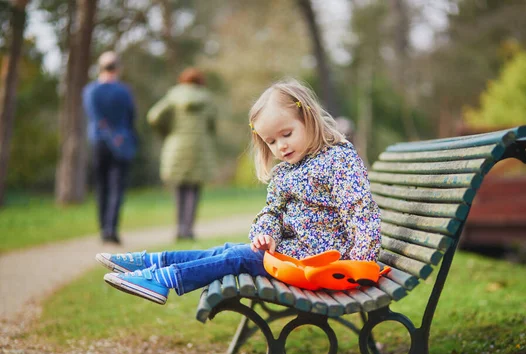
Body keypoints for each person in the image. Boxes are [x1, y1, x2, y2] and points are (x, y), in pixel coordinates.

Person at [97, 79, 381, 305]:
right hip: (291, 253)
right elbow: (272, 211)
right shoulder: (285, 171)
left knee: (238, 259)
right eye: (271, 141)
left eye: (287, 134)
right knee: (228, 251)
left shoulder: (338, 159)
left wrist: (359, 262)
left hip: (322, 262)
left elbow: (359, 210)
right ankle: (152, 262)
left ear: (308, 118)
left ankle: (164, 280)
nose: (280, 146)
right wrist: (267, 233)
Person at [146, 67, 217, 241]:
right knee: (194, 189)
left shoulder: (173, 97)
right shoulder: (207, 99)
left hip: (176, 146)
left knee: (179, 189)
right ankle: (189, 229)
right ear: (200, 82)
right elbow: (212, 125)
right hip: (199, 148)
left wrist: (166, 131)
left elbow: (153, 116)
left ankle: (179, 229)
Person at [83, 51, 137, 245]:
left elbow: (95, 118)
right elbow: (131, 118)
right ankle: (112, 228)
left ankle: (102, 229)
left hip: (99, 142)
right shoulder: (124, 91)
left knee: (102, 186)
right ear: (118, 68)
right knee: (117, 188)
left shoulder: (90, 91)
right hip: (121, 143)